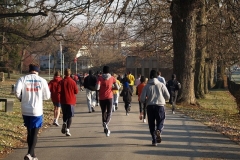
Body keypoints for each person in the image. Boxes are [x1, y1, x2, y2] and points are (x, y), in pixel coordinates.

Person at [15, 63, 51, 160]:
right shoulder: (42, 81)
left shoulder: (22, 79)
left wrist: (22, 98)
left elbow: (17, 92)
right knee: (34, 133)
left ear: (29, 70)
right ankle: (29, 153)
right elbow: (47, 96)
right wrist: (40, 97)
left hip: (25, 109)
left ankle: (33, 155)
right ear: (38, 70)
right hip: (37, 110)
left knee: (29, 132)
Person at [140, 69, 170, 146]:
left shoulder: (146, 86)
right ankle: (159, 130)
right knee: (161, 121)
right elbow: (168, 96)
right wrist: (163, 99)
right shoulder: (161, 85)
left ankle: (154, 140)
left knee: (151, 124)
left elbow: (142, 99)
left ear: (150, 76)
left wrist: (146, 101)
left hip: (150, 106)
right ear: (157, 76)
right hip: (160, 106)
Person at [96, 66, 119, 137]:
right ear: (109, 71)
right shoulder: (112, 78)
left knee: (103, 111)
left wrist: (101, 88)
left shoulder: (100, 78)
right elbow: (117, 87)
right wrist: (112, 87)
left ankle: (104, 125)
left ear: (103, 71)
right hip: (109, 97)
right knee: (109, 112)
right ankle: (106, 123)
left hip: (102, 97)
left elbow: (97, 87)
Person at [58, 68, 78, 136]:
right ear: (70, 73)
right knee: (70, 116)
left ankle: (64, 122)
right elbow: (76, 91)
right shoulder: (73, 82)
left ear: (64, 73)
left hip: (63, 100)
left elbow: (58, 90)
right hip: (71, 101)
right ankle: (67, 129)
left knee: (65, 114)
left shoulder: (61, 82)